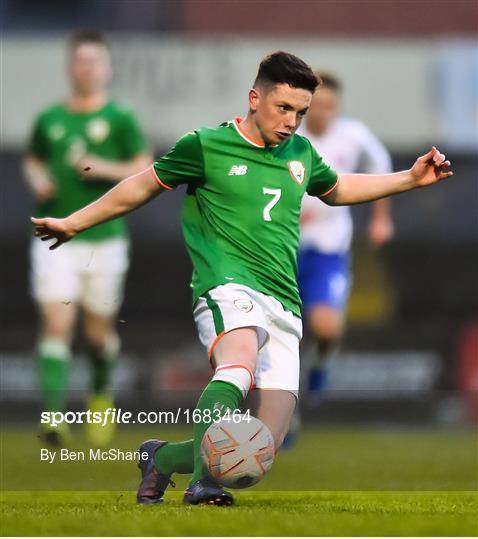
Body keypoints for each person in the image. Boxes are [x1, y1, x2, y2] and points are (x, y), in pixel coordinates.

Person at [31, 51, 453, 506]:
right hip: (226, 286)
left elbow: (340, 190)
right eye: (284, 108)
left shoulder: (302, 153)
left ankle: (161, 459)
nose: (293, 121)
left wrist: (409, 179)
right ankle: (202, 485)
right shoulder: (205, 145)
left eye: (301, 112)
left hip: (284, 304)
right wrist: (75, 222)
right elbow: (142, 184)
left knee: (256, 454)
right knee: (238, 362)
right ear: (255, 98)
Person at [24, 30, 151, 447]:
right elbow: (34, 159)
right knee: (57, 323)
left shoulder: (120, 117)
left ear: (107, 68)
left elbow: (143, 166)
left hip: (106, 238)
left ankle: (100, 393)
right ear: (69, 66)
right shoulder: (50, 118)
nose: (88, 68)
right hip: (54, 234)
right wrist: (39, 179)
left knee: (98, 335)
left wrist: (101, 167)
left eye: (95, 61)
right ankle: (54, 416)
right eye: (81, 61)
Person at [298, 72, 394, 403]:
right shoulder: (286, 136)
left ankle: (320, 364)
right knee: (281, 335)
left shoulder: (352, 136)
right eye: (316, 105)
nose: (322, 112)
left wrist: (381, 218)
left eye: (329, 105)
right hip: (282, 246)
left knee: (326, 328)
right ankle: (284, 413)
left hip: (328, 248)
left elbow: (381, 168)